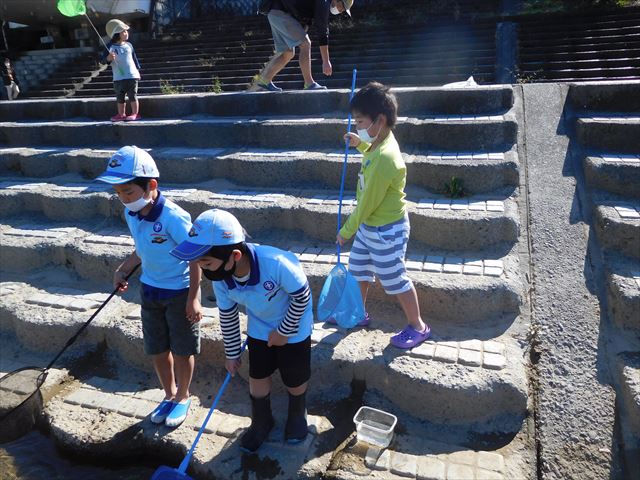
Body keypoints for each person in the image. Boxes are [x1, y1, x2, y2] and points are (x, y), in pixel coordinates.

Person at [170, 209, 313, 452]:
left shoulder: (275, 263)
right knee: (257, 377)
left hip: (294, 327)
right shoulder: (221, 278)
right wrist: (232, 353)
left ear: (234, 255)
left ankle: (298, 414)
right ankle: (261, 421)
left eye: (205, 262)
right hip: (259, 328)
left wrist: (284, 332)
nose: (202, 269)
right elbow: (228, 315)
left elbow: (302, 296)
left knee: (294, 377)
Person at [96, 145, 202, 427]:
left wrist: (194, 298)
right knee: (157, 347)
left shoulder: (174, 217)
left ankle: (183, 395)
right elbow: (141, 249)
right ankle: (168, 394)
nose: (122, 198)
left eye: (127, 191)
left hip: (178, 292)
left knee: (182, 348)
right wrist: (123, 270)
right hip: (150, 290)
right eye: (117, 192)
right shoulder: (132, 214)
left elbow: (195, 259)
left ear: (151, 185)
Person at [335, 82, 432, 349]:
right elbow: (372, 152)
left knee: (395, 279)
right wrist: (360, 145)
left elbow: (366, 204)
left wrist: (346, 231)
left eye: (360, 122)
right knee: (359, 272)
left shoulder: (385, 159)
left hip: (386, 230)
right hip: (370, 227)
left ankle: (418, 326)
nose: (357, 127)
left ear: (380, 120)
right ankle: (358, 314)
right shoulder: (380, 141)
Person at [251, 0, 354, 92]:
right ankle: (309, 83)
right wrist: (326, 61)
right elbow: (322, 30)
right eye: (343, 7)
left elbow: (302, 14)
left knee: (288, 53)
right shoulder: (324, 2)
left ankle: (265, 80)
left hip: (275, 12)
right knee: (306, 44)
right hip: (280, 12)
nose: (341, 11)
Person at [100, 19, 142, 122]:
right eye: (123, 31)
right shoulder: (110, 46)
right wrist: (108, 59)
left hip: (132, 75)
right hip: (118, 77)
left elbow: (134, 59)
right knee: (120, 97)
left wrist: (138, 70)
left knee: (133, 95)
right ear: (116, 34)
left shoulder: (129, 45)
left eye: (126, 31)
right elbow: (103, 61)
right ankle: (121, 114)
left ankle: (135, 114)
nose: (126, 33)